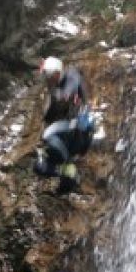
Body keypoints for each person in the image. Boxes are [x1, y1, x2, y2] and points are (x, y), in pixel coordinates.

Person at [32, 55, 95, 193]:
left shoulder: (70, 76)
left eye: (48, 75)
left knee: (48, 134)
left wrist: (61, 95)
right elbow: (48, 117)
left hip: (80, 129)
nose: (47, 80)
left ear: (56, 73)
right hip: (68, 134)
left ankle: (68, 163)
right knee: (38, 165)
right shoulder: (54, 90)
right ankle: (66, 173)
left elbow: (70, 89)